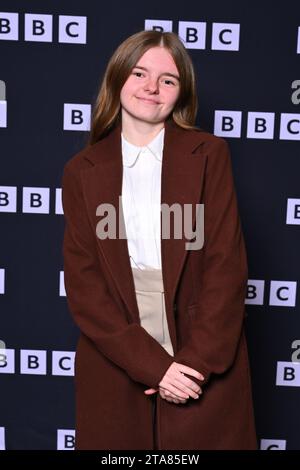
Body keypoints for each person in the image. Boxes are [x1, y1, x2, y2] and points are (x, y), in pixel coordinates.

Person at [61, 29, 257, 450]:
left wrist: (192, 366)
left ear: (180, 93)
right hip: (117, 347)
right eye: (139, 73)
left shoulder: (209, 154)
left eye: (168, 80)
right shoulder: (81, 170)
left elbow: (226, 267)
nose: (152, 87)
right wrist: (153, 367)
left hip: (201, 343)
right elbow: (85, 286)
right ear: (117, 81)